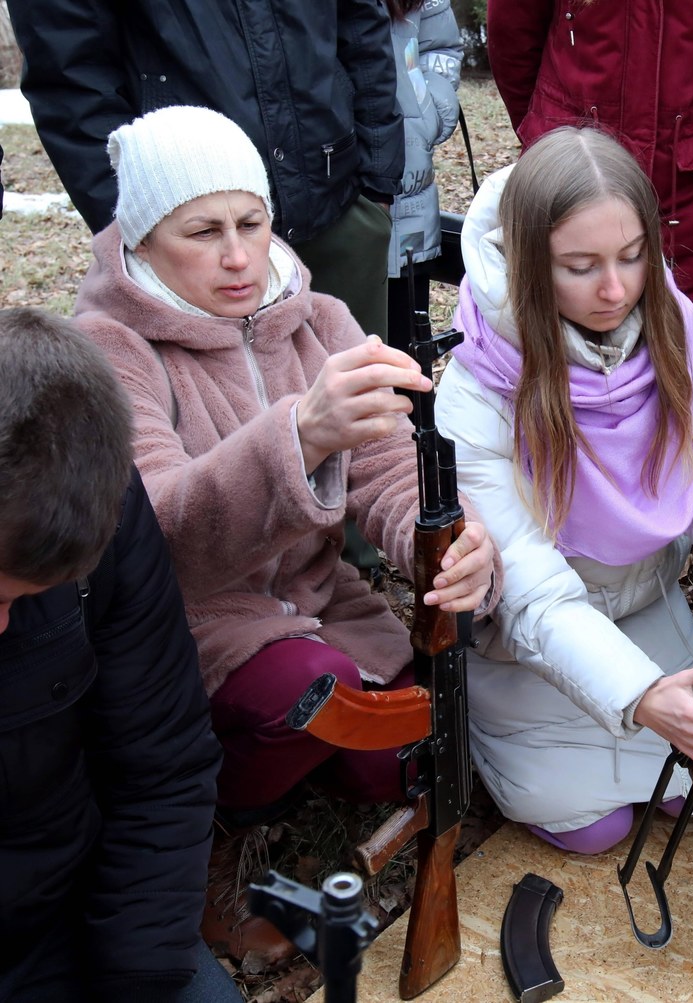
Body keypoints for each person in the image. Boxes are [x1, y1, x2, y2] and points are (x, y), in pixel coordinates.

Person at [72, 106, 498, 823]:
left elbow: (390, 471)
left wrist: (460, 547)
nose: (238, 256)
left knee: (414, 747)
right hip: (189, 623)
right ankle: (199, 813)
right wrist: (298, 438)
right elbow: (154, 536)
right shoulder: (108, 347)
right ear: (143, 239)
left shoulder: (320, 319)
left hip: (319, 603)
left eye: (252, 222)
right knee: (309, 688)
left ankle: (291, 762)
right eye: (203, 232)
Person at [436, 126, 693, 853]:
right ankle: (486, 740)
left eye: (632, 257)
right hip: (529, 639)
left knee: (682, 786)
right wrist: (641, 695)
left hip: (645, 596)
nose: (615, 290)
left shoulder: (677, 327)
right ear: (526, 262)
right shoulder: (477, 388)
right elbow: (532, 591)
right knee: (593, 824)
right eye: (578, 266)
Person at [0, 307, 238, 1001]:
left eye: (25, 597)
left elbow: (161, 762)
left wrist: (137, 977)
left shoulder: (99, 492)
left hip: (69, 908)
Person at [8, 0, 403, 339]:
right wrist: (136, 223)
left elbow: (362, 27)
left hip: (336, 208)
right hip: (184, 236)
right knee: (211, 421)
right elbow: (69, 77)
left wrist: (377, 185)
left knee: (362, 410)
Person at [486, 0, 693, 336]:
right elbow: (513, 38)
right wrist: (557, 142)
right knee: (567, 348)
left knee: (688, 348)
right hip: (576, 174)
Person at [384, 0, 463, 368]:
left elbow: (439, 45)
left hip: (407, 198)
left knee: (405, 359)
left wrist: (426, 112)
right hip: (321, 186)